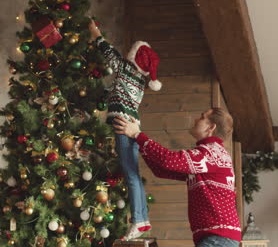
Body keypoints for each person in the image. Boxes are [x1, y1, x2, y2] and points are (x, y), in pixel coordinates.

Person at [113, 108, 242, 247]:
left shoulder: (211, 153)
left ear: (211, 127)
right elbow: (162, 170)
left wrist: (138, 135)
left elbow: (168, 160)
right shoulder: (207, 156)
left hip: (218, 238)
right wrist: (138, 140)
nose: (196, 120)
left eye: (202, 117)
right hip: (218, 237)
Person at [88, 20, 162, 240]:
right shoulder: (138, 79)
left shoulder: (124, 68)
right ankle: (143, 219)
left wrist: (95, 33)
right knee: (132, 173)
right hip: (131, 124)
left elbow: (107, 50)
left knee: (131, 174)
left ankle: (138, 220)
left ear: (133, 56)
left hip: (123, 125)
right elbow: (116, 91)